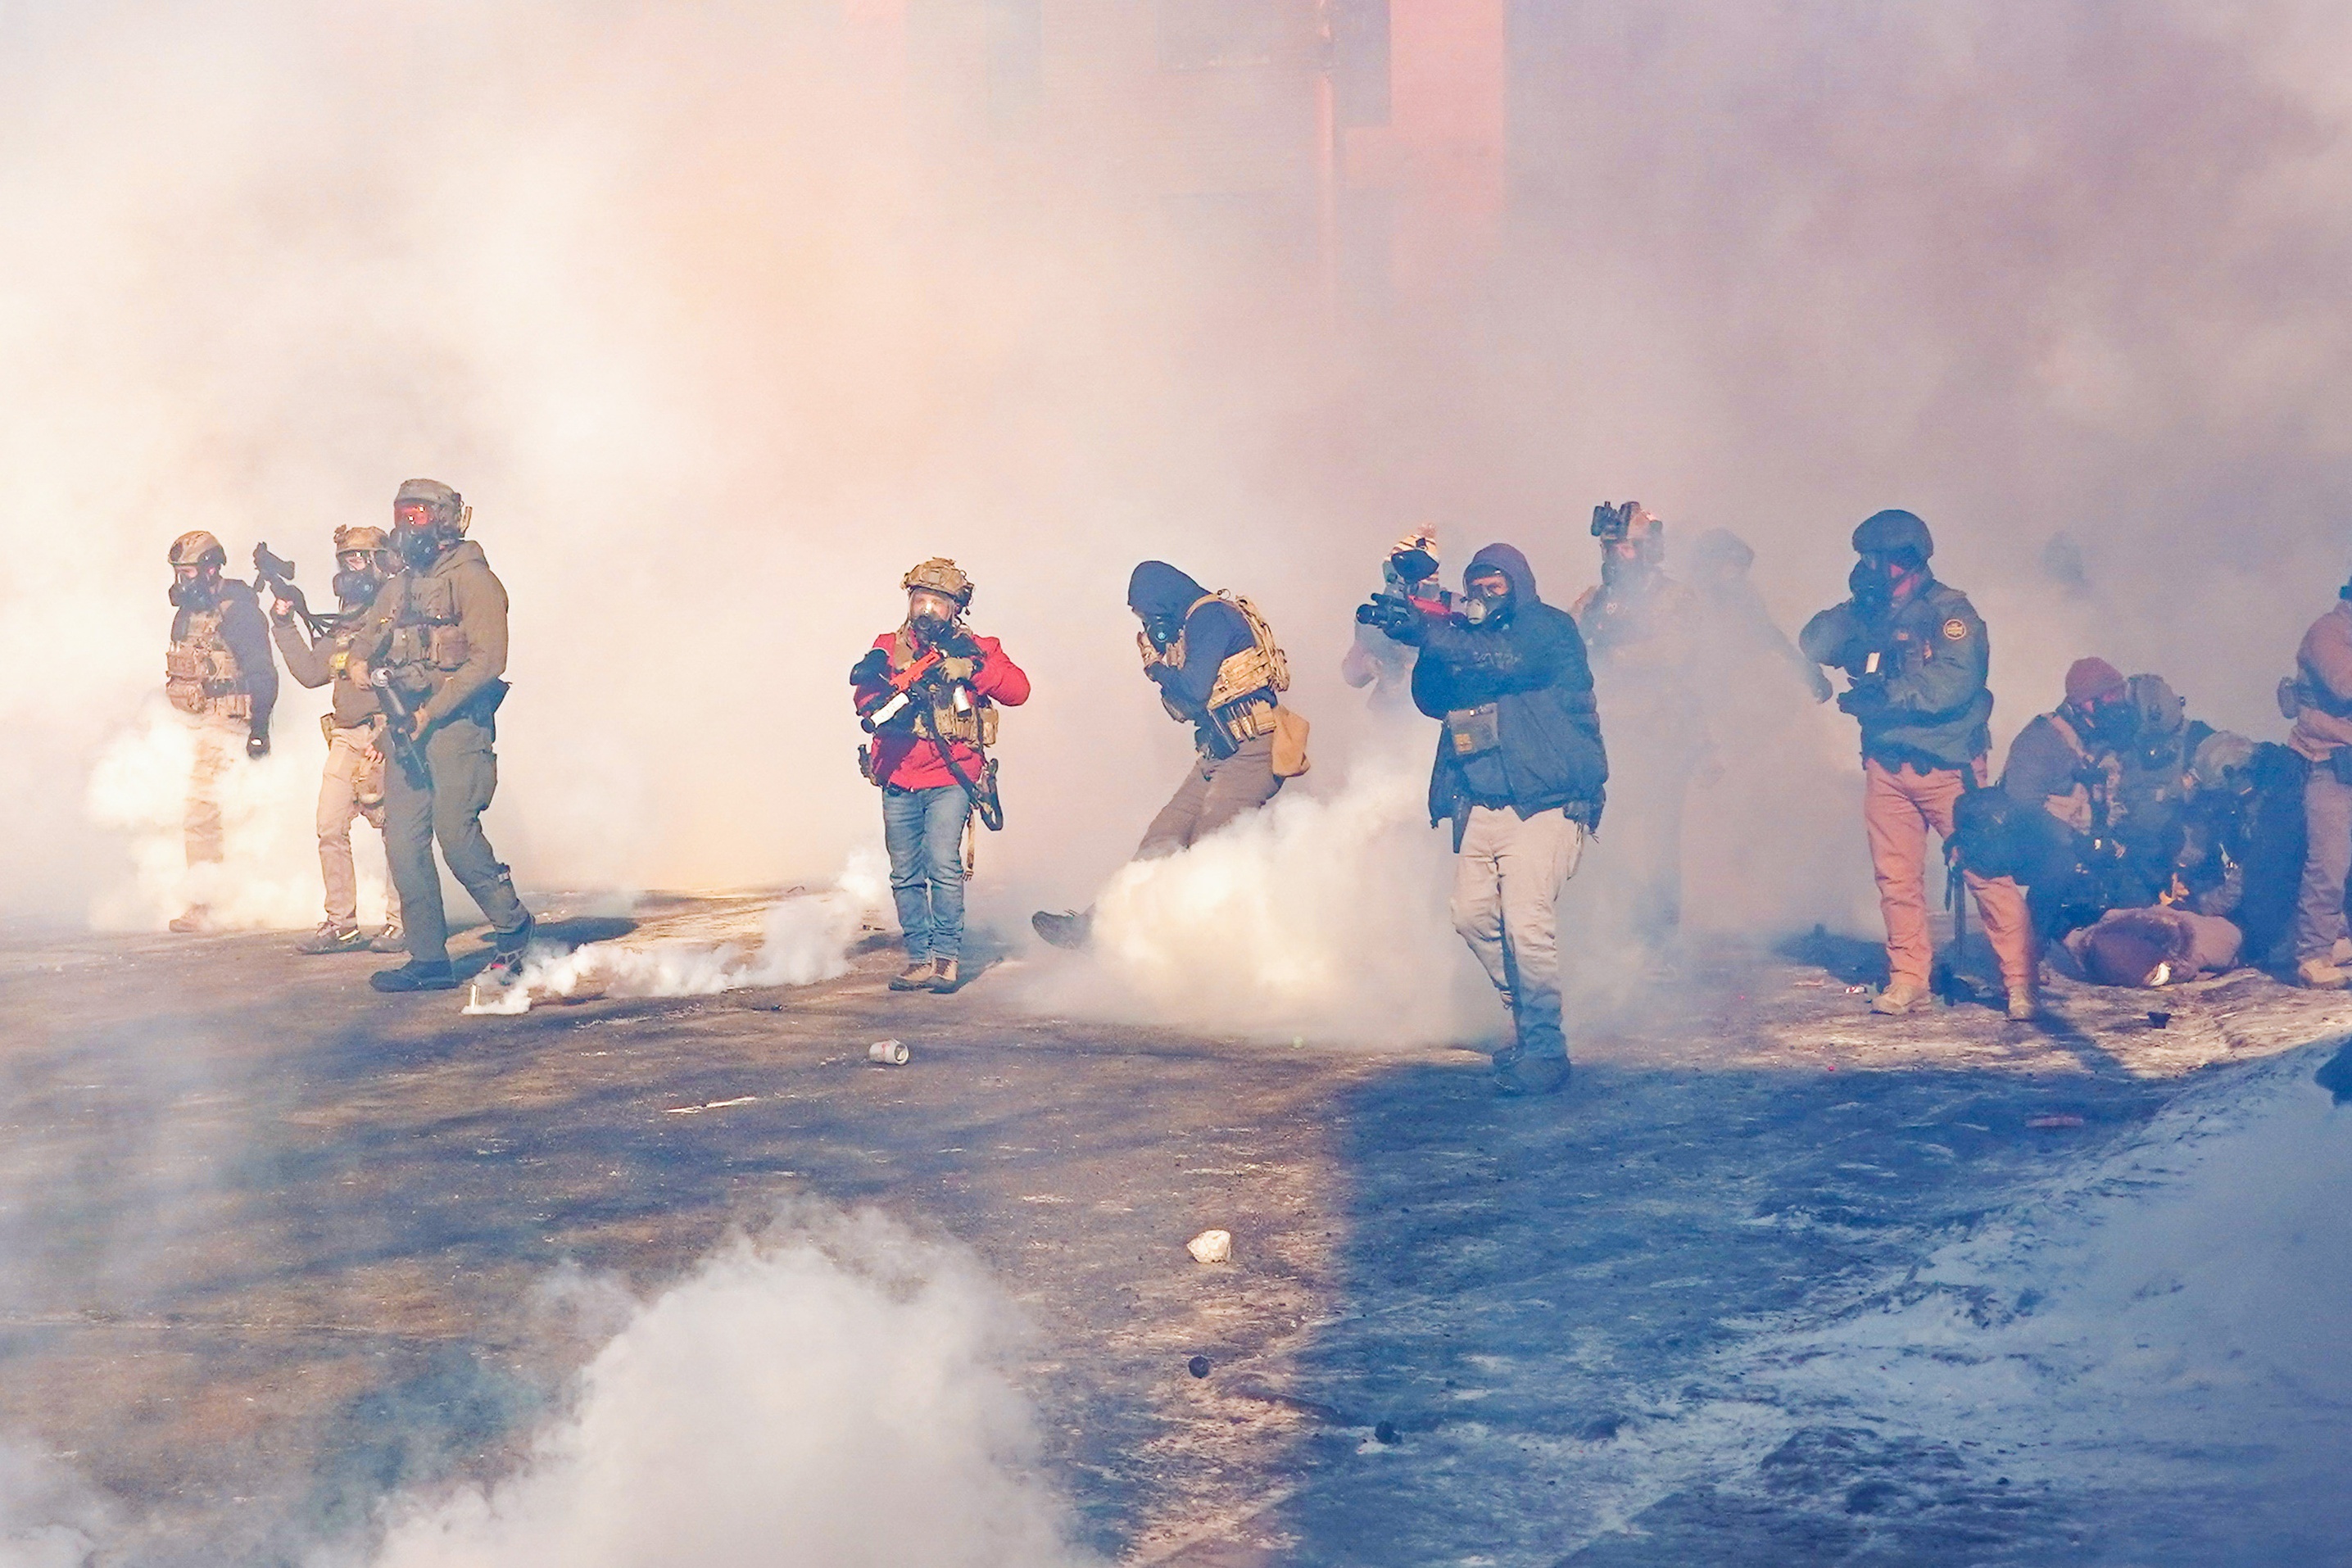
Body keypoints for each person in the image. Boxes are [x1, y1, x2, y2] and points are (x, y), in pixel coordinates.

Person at [1380, 543, 1607, 1095]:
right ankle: (1525, 1013)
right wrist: (1423, 635)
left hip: (1545, 803)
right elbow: (1432, 700)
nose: (1484, 593)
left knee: (1526, 924)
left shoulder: (1546, 629)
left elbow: (1509, 662)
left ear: (1519, 585)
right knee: (1471, 915)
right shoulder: (1465, 641)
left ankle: (1546, 1053)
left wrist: (1435, 631)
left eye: (1495, 584)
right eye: (1476, 584)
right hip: (1481, 801)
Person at [1800, 509, 2037, 1019]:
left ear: (1906, 560)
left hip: (1947, 765)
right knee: (1896, 878)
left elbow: (1954, 684)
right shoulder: (1870, 609)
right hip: (1887, 765)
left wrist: (1887, 697)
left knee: (1985, 872)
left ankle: (2019, 982)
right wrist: (1854, 613)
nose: (1868, 568)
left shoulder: (1950, 614)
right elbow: (1812, 641)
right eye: (1863, 559)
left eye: (1877, 560)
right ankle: (1910, 977)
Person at [1031, 563, 1307, 949]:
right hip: (1218, 752)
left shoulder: (1210, 617)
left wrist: (1158, 668)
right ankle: (1097, 930)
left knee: (1211, 847)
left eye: (1146, 613)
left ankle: (1206, 953)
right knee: (1163, 837)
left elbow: (1194, 691)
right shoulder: (1192, 622)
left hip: (1252, 751)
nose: (1147, 623)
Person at [360, 479, 533, 993]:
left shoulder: (473, 580)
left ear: (444, 520)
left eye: (415, 516)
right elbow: (368, 639)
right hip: (405, 727)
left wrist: (430, 712)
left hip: (456, 728)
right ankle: (429, 960)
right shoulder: (400, 585)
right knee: (404, 842)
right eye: (401, 515)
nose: (404, 527)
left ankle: (513, 926)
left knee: (455, 834)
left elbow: (488, 660)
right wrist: (357, 664)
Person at [851, 558, 1030, 995]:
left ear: (956, 609)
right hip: (897, 776)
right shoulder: (888, 647)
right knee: (904, 873)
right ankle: (919, 958)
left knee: (943, 866)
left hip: (951, 778)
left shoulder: (979, 646)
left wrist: (973, 671)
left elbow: (1019, 690)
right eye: (920, 601)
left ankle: (946, 960)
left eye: (937, 603)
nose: (927, 611)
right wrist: (886, 705)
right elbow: (864, 694)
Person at [269, 525, 406, 955]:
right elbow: (312, 672)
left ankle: (402, 921)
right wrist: (284, 623)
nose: (353, 570)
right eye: (346, 561)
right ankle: (341, 923)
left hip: (384, 732)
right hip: (346, 736)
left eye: (361, 559)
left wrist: (389, 734)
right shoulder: (345, 623)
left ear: (381, 562)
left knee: (394, 831)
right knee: (329, 825)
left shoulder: (394, 617)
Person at [1570, 503, 1705, 944]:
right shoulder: (1593, 600)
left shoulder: (1676, 599)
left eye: (1625, 547)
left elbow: (1675, 654)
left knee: (1655, 850)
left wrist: (1612, 653)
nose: (1615, 556)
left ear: (1648, 550)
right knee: (1605, 842)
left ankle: (1660, 942)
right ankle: (1608, 938)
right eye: (1610, 547)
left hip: (1658, 738)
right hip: (1605, 737)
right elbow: (1567, 646)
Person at [1999, 657, 2190, 944]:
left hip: (2102, 840)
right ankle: (2028, 949)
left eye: (2114, 694)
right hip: (2048, 843)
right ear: (2079, 703)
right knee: (2058, 867)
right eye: (2100, 698)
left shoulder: (2114, 736)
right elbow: (2021, 801)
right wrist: (2073, 841)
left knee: (2138, 893)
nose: (2110, 703)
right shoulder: (2043, 738)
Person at [162, 530, 279, 932]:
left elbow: (264, 674)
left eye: (189, 571)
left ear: (211, 568)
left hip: (226, 719)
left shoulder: (239, 612)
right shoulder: (188, 615)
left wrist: (259, 729)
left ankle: (206, 904)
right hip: (193, 717)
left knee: (201, 808)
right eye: (178, 572)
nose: (183, 581)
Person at [2280, 574, 2352, 988]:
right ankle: (2313, 955)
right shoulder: (2327, 632)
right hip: (2327, 763)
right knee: (2329, 863)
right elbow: (2345, 686)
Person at [1341, 528, 1441, 712]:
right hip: (1390, 718)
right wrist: (1370, 664)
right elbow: (1351, 673)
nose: (1394, 583)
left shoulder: (1446, 612)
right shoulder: (1382, 613)